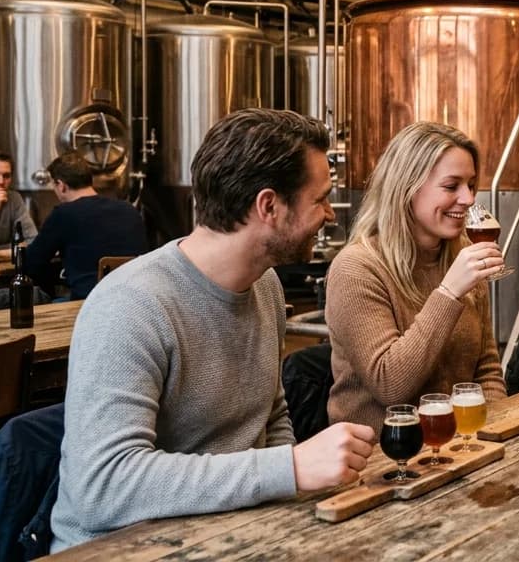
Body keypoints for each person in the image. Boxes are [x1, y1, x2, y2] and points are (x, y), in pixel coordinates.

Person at [50, 109, 377, 552]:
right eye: (319, 199)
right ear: (269, 207)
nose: (329, 216)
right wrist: (289, 469)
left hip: (230, 533)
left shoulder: (265, 284)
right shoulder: (131, 306)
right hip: (124, 548)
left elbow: (271, 415)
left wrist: (287, 500)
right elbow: (102, 488)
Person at [325, 122, 508, 430]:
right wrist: (449, 292)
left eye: (471, 185)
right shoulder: (357, 268)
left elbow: (486, 370)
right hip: (382, 458)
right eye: (452, 186)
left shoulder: (460, 255)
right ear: (406, 188)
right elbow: (390, 385)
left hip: (461, 446)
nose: (468, 199)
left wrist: (494, 429)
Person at [22, 152, 148, 300]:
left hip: (88, 304)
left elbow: (31, 264)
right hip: (134, 299)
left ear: (61, 185)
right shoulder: (129, 210)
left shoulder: (64, 214)